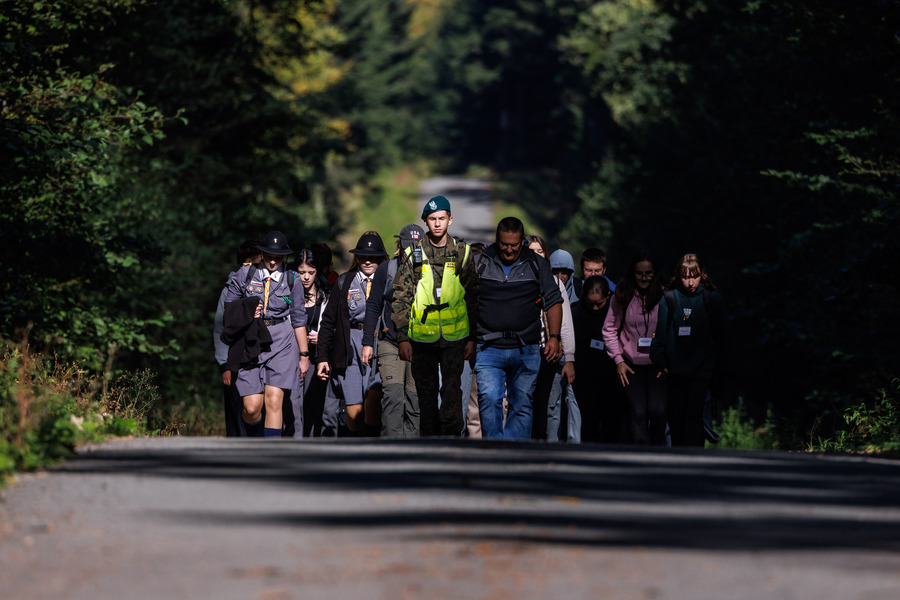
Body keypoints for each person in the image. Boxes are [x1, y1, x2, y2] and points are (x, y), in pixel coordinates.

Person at [392, 196, 479, 437]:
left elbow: (473, 297)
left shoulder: (462, 252)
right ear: (425, 222)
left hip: (454, 338)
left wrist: (472, 337)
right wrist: (402, 338)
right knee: (425, 393)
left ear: (450, 220)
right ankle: (429, 443)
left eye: (442, 218)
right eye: (432, 219)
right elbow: (401, 297)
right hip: (422, 338)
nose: (437, 224)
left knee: (452, 391)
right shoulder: (413, 254)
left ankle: (452, 440)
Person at [474, 217, 563, 439]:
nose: (509, 250)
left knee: (522, 403)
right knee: (489, 398)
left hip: (526, 347)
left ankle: (514, 453)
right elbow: (465, 301)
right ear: (496, 240)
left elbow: (553, 301)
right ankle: (494, 452)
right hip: (488, 346)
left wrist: (555, 337)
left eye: (514, 245)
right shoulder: (479, 262)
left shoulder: (536, 264)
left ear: (522, 241)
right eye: (504, 244)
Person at [223, 231, 310, 437]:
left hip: (282, 341)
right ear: (261, 254)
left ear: (285, 257)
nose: (273, 261)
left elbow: (298, 319)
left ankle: (271, 451)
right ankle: (255, 440)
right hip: (250, 340)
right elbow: (229, 309)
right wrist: (246, 310)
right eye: (269, 256)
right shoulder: (245, 274)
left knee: (273, 399)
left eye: (278, 257)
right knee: (252, 408)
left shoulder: (292, 279)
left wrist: (304, 355)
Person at [650, 253, 727, 447]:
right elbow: (658, 334)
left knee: (695, 413)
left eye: (695, 276)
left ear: (702, 275)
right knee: (676, 416)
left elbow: (723, 337)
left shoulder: (712, 299)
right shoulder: (669, 298)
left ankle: (695, 458)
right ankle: (679, 459)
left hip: (702, 369)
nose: (690, 281)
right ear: (678, 275)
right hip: (675, 370)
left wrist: (718, 367)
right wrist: (660, 362)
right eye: (685, 276)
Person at [316, 232, 388, 433]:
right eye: (362, 256)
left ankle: (373, 450)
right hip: (350, 347)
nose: (367, 261)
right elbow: (328, 321)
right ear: (356, 257)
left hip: (380, 343)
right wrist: (322, 356)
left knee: (374, 406)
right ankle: (354, 450)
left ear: (382, 258)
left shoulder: (388, 280)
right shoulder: (345, 282)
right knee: (354, 413)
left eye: (373, 257)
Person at [360, 224, 424, 438]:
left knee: (415, 399)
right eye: (407, 247)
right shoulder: (385, 269)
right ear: (399, 245)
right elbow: (373, 306)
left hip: (421, 344)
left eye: (416, 247)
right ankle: (392, 448)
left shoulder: (431, 270)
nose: (411, 251)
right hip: (391, 341)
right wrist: (368, 343)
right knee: (393, 396)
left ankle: (413, 451)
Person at [602, 252, 667, 445]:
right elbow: (609, 329)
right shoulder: (623, 295)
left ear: (655, 274)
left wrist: (668, 360)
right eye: (640, 273)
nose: (644, 277)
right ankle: (640, 455)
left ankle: (658, 452)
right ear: (633, 273)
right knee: (637, 411)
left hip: (658, 364)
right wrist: (618, 360)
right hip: (630, 364)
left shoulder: (665, 296)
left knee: (658, 411)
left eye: (648, 273)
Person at [526, 236, 578, 442]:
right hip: (524, 351)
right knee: (524, 404)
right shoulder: (517, 280)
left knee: (549, 405)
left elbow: (565, 323)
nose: (536, 255)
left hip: (549, 351)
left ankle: (549, 447)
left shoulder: (556, 283)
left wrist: (570, 358)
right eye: (531, 251)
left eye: (540, 251)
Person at [214, 240, 260, 436]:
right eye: (259, 262)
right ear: (247, 262)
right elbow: (220, 328)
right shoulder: (229, 289)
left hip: (258, 356)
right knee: (235, 407)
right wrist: (224, 364)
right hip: (233, 359)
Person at [572, 276, 624, 443]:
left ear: (608, 296)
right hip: (584, 377)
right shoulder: (576, 312)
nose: (595, 308)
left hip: (611, 376)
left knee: (612, 422)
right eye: (590, 303)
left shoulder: (617, 311)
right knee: (588, 421)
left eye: (599, 304)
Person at [289, 248, 332, 437]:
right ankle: (293, 439)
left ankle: (312, 441)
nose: (306, 277)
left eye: (311, 272)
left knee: (313, 400)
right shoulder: (287, 294)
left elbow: (332, 326)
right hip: (291, 354)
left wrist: (321, 336)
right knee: (293, 401)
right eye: (301, 272)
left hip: (316, 356)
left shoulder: (325, 296)